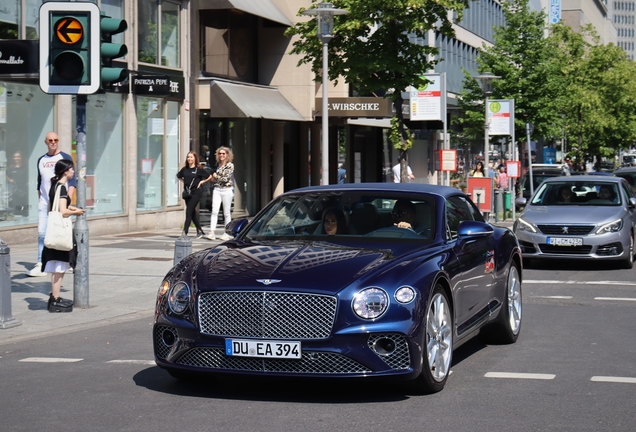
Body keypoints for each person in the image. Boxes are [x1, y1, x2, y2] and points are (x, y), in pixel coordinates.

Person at [26, 132, 76, 277]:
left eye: (56, 140)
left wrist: (68, 199)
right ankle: (41, 263)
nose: (53, 142)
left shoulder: (65, 157)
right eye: (50, 140)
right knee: (42, 233)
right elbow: (39, 182)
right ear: (46, 142)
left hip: (60, 201)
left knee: (63, 231)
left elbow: (72, 181)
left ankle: (68, 261)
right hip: (45, 202)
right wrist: (41, 199)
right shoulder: (41, 160)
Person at [42, 159, 85, 312]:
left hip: (55, 231)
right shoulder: (62, 188)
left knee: (56, 267)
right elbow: (63, 211)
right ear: (65, 171)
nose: (73, 171)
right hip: (61, 233)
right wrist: (76, 212)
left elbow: (60, 206)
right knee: (59, 267)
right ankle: (55, 299)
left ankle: (54, 298)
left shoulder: (55, 186)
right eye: (71, 169)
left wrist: (72, 207)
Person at [177, 151, 212, 238]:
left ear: (195, 158)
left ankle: (185, 232)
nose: (189, 159)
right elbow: (179, 176)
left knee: (188, 211)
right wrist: (184, 182)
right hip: (187, 193)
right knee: (192, 212)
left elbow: (209, 176)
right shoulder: (184, 169)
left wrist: (201, 182)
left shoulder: (198, 169)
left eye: (191, 157)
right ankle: (199, 231)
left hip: (196, 192)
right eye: (188, 157)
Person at [204, 146, 235, 241]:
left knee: (226, 212)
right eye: (220, 153)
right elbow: (214, 179)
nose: (221, 155)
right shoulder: (217, 165)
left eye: (223, 153)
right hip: (217, 189)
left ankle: (227, 233)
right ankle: (212, 232)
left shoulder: (230, 165)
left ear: (227, 155)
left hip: (227, 190)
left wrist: (216, 176)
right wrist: (214, 177)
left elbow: (225, 179)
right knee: (214, 211)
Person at [6, 151, 28, 217]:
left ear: (22, 158)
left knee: (24, 209)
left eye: (18, 157)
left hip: (25, 192)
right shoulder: (11, 168)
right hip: (15, 192)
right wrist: (9, 180)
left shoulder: (25, 168)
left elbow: (32, 176)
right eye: (15, 157)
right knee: (16, 209)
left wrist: (28, 183)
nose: (17, 158)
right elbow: (4, 175)